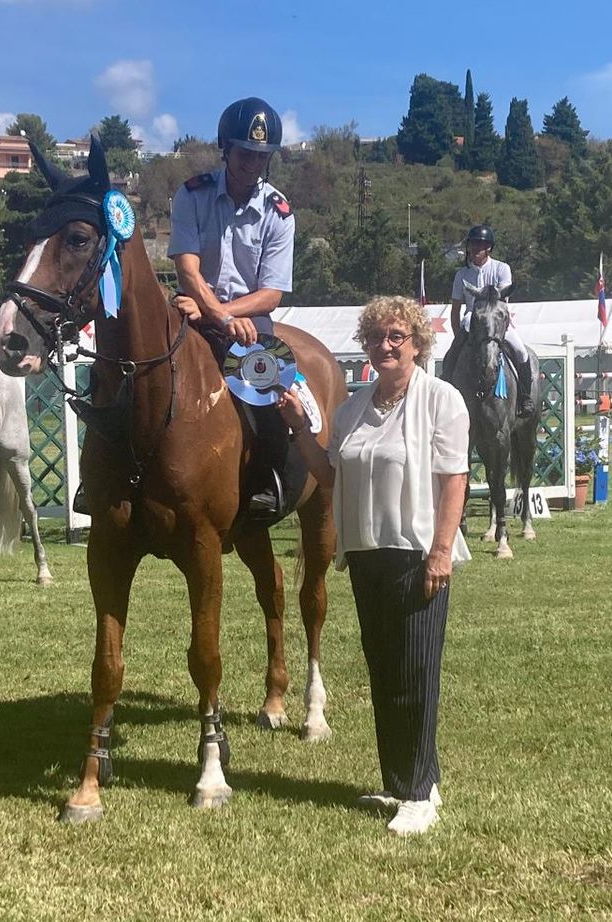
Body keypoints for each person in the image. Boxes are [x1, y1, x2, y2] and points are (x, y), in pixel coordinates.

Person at [278, 296, 471, 836]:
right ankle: (397, 780)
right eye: (375, 337)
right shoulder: (353, 408)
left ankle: (421, 791)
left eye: (396, 337)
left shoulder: (441, 400)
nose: (385, 346)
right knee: (384, 671)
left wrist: (441, 550)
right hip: (364, 555)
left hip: (418, 554)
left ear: (416, 343)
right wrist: (297, 427)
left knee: (415, 672)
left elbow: (454, 479)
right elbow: (332, 474)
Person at [168, 97, 296, 515]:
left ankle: (266, 478)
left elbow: (273, 293)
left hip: (250, 320)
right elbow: (187, 270)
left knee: (268, 389)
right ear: (226, 148)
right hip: (193, 305)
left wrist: (228, 315)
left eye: (262, 156)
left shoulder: (279, 212)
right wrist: (216, 314)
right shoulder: (191, 194)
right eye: (245, 153)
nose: (252, 163)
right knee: (138, 361)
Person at [443, 224, 536, 417]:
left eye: (481, 245)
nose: (476, 249)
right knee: (451, 355)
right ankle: (447, 393)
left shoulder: (502, 269)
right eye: (474, 245)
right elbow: (456, 310)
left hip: (496, 320)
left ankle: (525, 397)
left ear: (489, 248)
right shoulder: (461, 275)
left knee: (521, 352)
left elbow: (501, 301)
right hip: (472, 320)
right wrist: (458, 338)